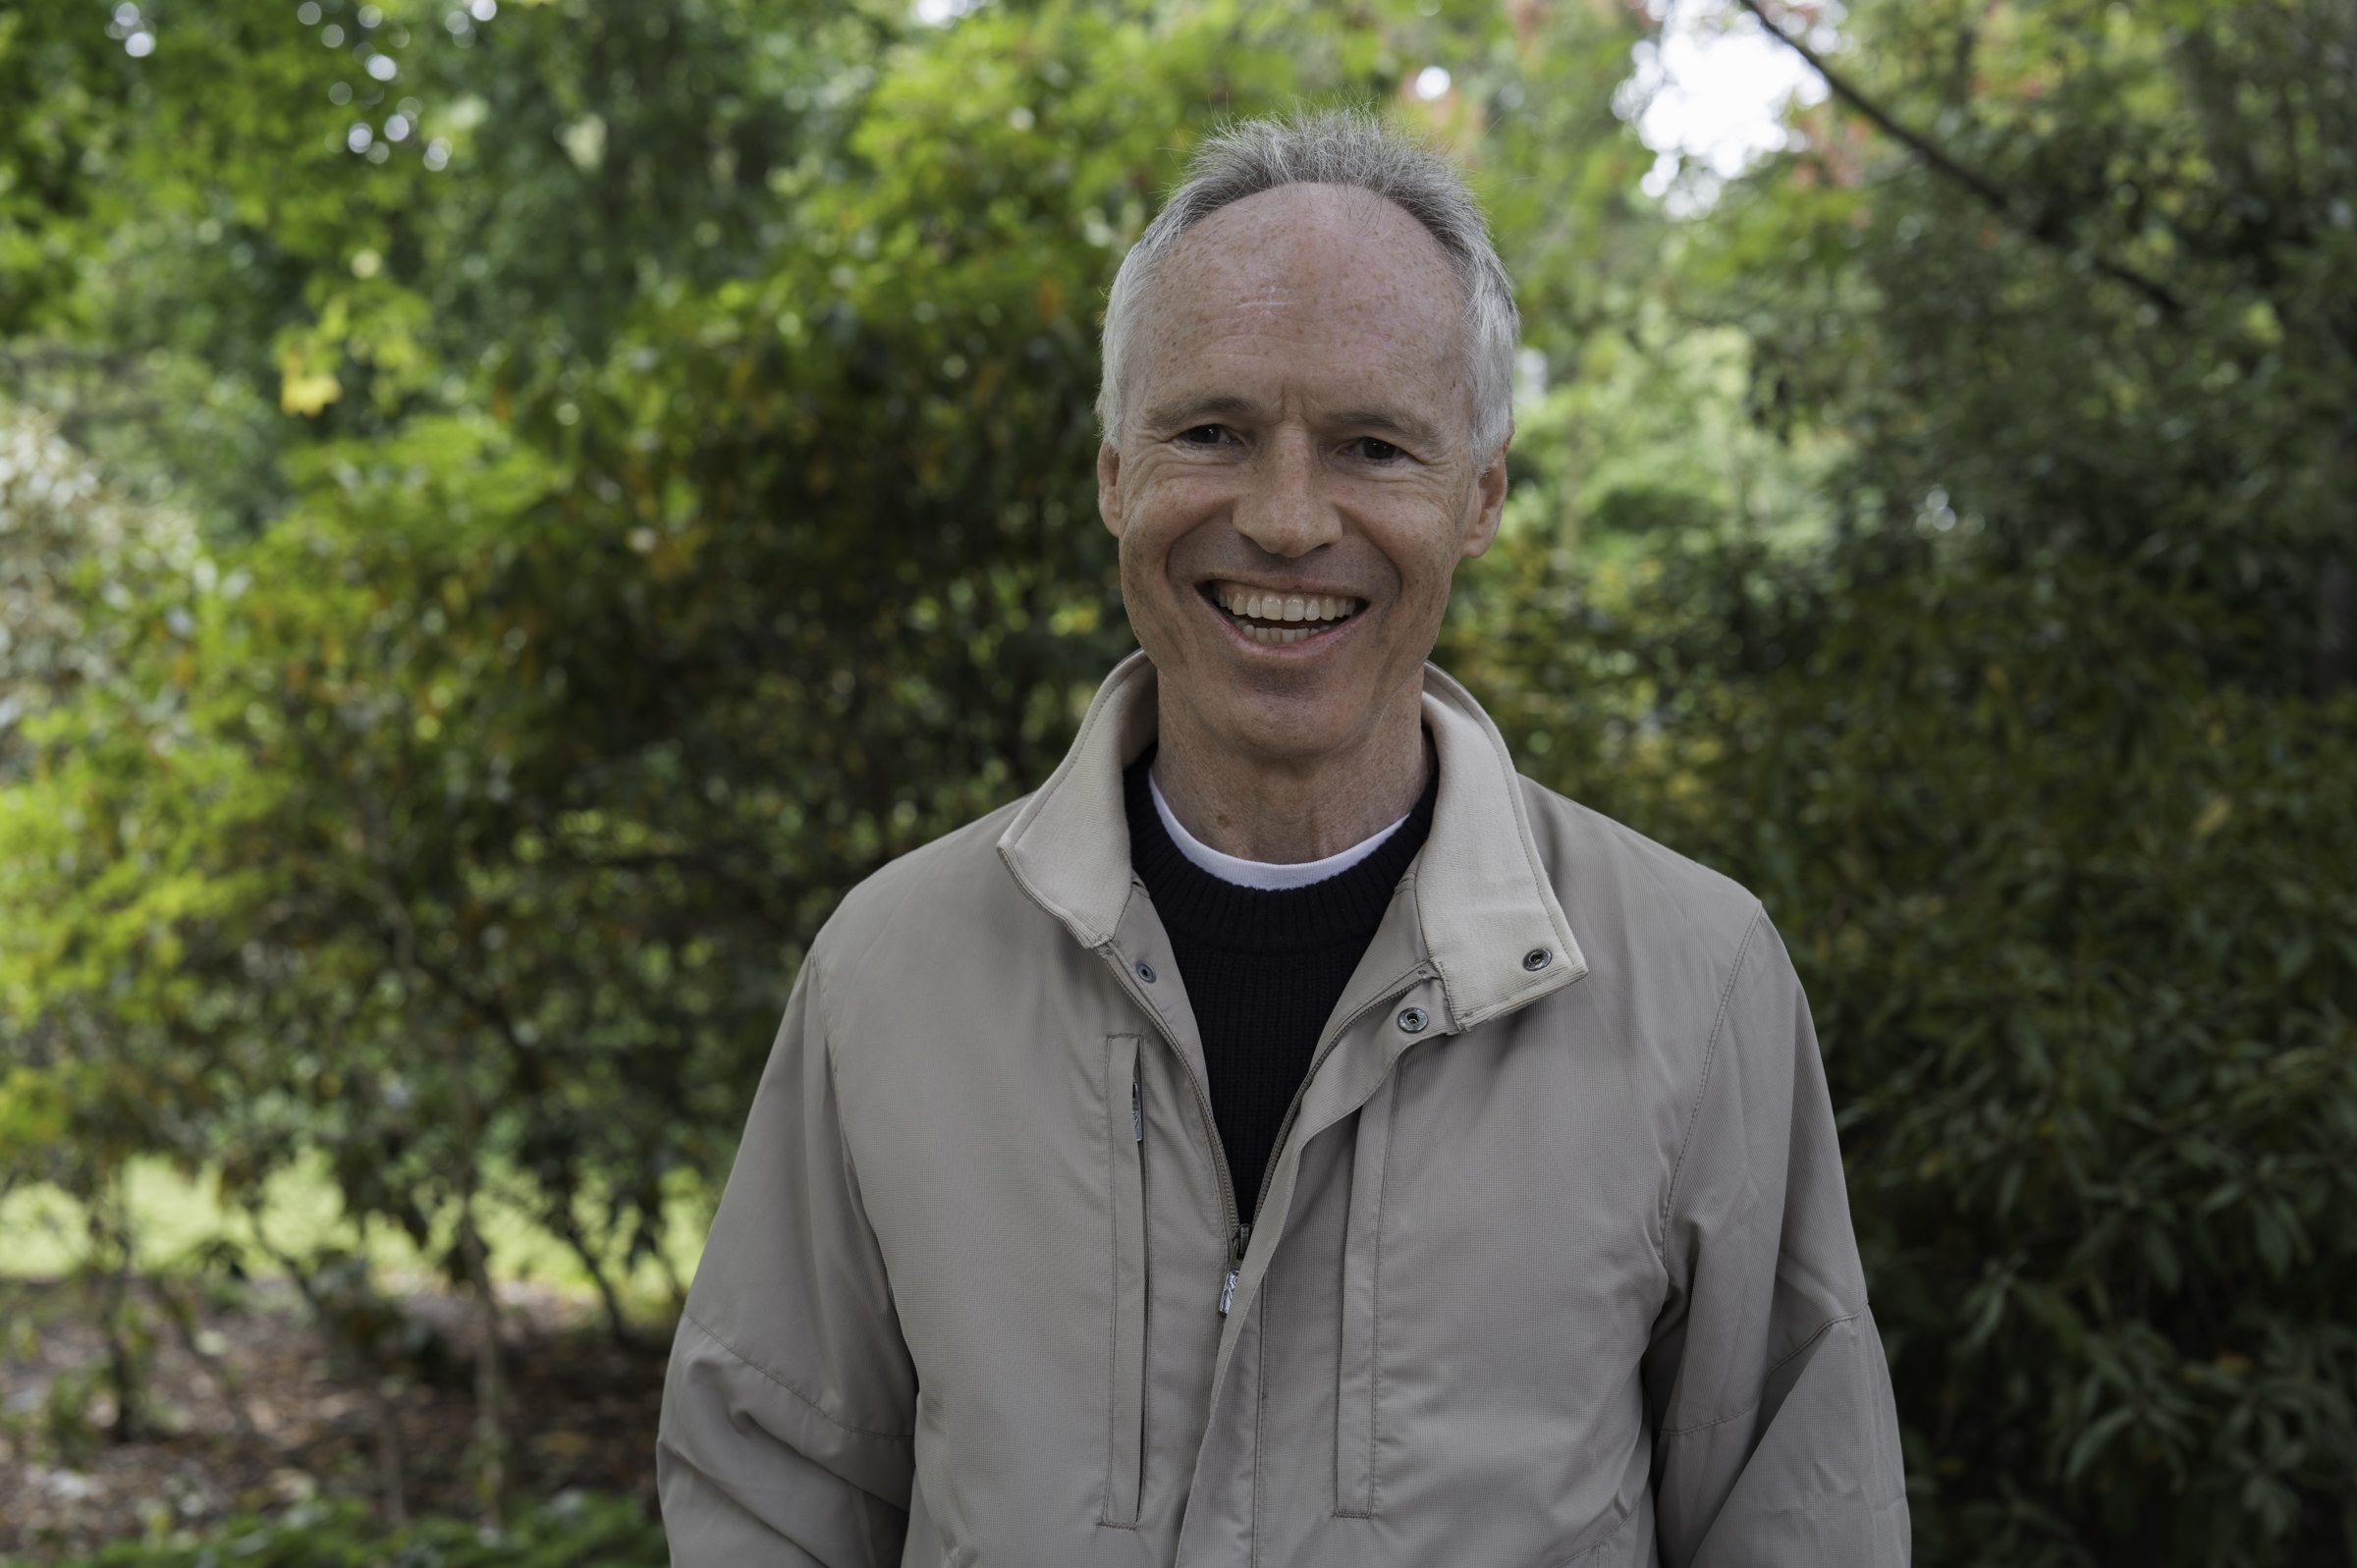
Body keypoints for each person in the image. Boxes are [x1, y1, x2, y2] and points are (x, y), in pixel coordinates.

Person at [658, 108, 1909, 1567]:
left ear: (1481, 495)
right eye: (1214, 432)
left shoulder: (1697, 981)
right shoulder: (890, 970)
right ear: (1116, 471)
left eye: (1374, 446)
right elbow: (769, 1499)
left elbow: (1798, 1514)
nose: (1288, 516)